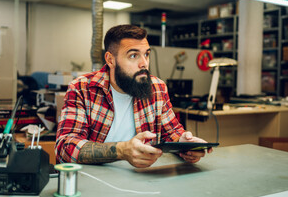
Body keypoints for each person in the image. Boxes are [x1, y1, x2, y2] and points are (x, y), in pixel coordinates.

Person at [55, 24, 212, 168]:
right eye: (133, 56)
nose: (144, 63)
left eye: (146, 54)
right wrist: (121, 150)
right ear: (110, 59)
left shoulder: (157, 88)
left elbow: (172, 133)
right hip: (94, 181)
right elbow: (65, 147)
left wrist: (185, 144)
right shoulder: (82, 88)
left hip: (143, 180)